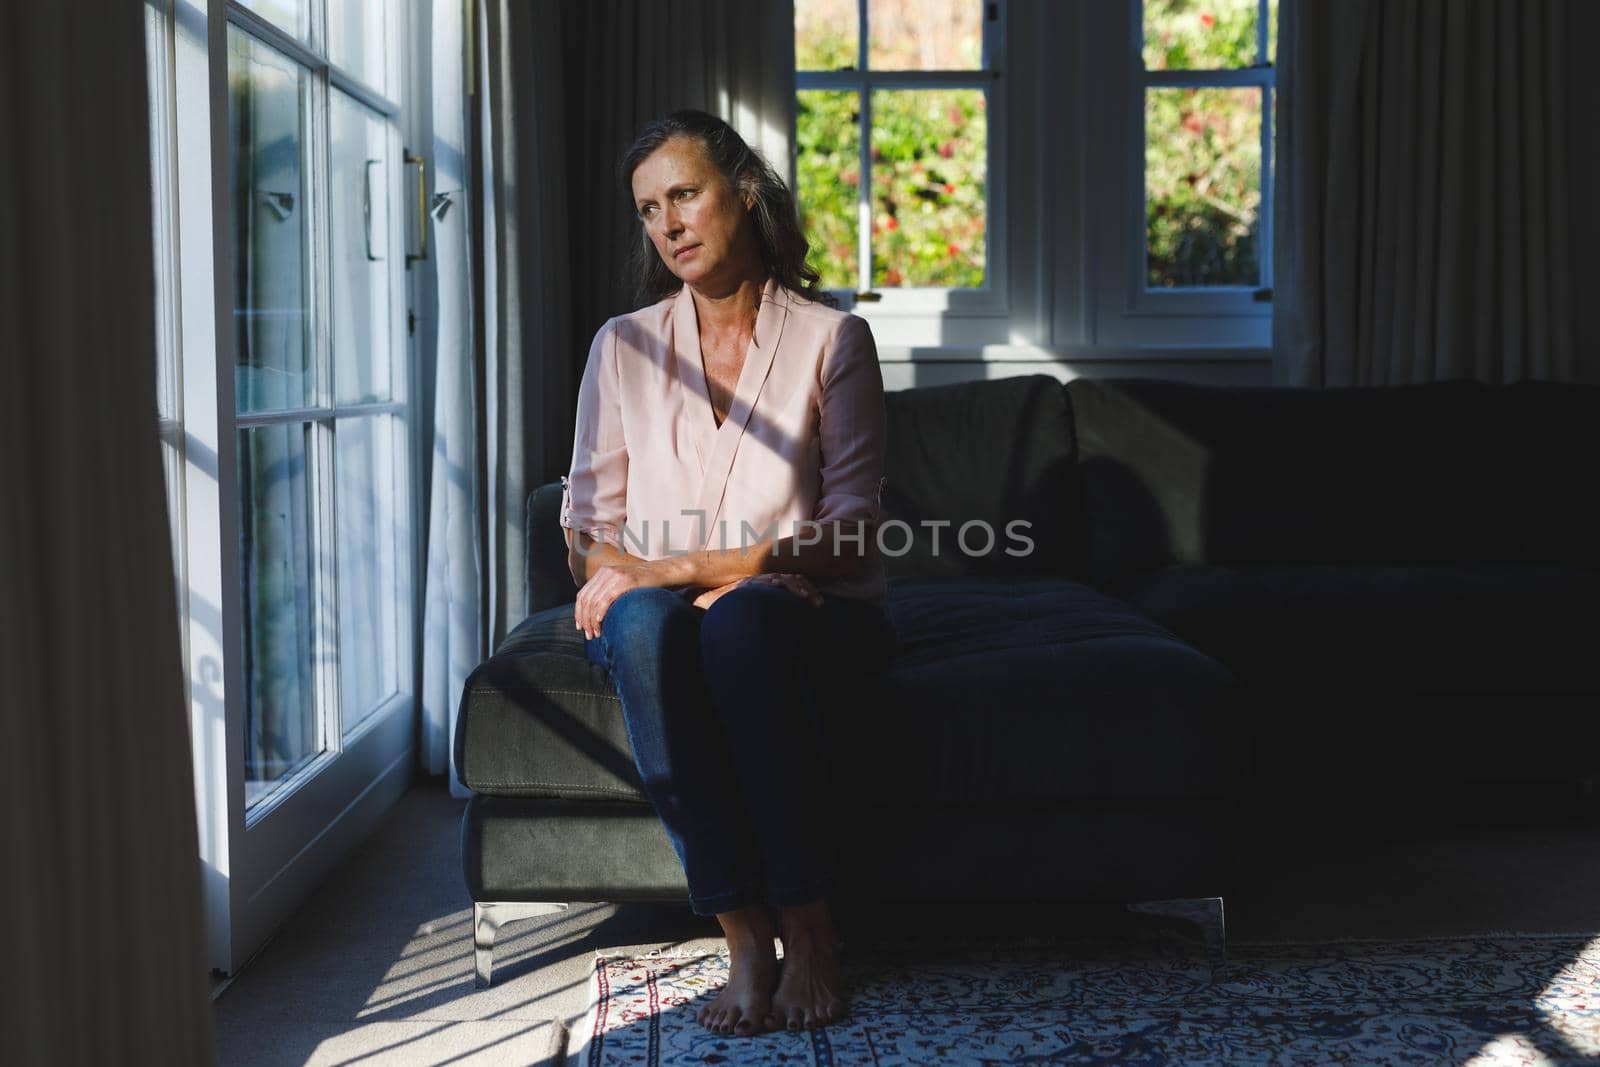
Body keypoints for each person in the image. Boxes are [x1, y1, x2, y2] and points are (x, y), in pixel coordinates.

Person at [558, 109, 893, 1037]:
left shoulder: (836, 340)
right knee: (638, 624)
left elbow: (854, 535)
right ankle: (743, 932)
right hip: (671, 612)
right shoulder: (622, 347)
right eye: (648, 208)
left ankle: (811, 927)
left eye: (685, 194)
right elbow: (589, 532)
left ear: (744, 192)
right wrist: (652, 577)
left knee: (743, 622)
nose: (667, 224)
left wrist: (698, 570)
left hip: (806, 616)